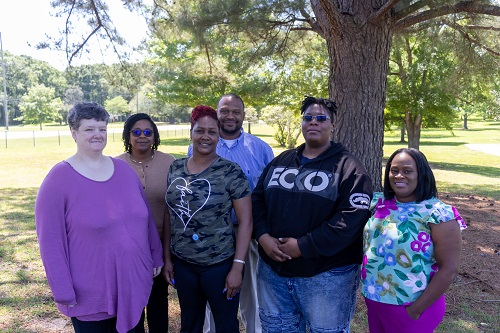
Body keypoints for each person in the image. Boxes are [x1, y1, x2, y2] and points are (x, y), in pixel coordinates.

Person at [35, 102, 164, 333]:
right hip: (90, 294)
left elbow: (144, 217)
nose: (97, 134)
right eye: (89, 129)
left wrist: (156, 255)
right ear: (74, 133)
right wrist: (63, 290)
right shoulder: (58, 180)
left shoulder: (124, 170)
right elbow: (50, 243)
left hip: (130, 284)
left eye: (102, 129)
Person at [252, 96, 373, 332]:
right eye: (308, 118)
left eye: (321, 118)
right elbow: (257, 199)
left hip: (326, 277)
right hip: (273, 275)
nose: (314, 122)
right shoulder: (282, 161)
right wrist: (263, 236)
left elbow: (350, 219)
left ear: (332, 125)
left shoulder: (349, 168)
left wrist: (305, 246)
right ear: (302, 123)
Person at [187, 93, 274, 333]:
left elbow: (269, 194)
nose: (230, 116)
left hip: (250, 232)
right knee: (212, 297)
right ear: (217, 113)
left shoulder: (260, 149)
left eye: (236, 111)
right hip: (210, 237)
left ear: (243, 115)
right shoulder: (198, 147)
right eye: (224, 110)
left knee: (253, 295)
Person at [164, 105, 253, 333]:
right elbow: (169, 214)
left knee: (225, 326)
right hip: (184, 265)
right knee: (190, 325)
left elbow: (246, 221)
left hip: (219, 266)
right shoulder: (175, 168)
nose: (205, 136)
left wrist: (237, 268)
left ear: (218, 135)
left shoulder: (231, 171)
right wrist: (168, 258)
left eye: (212, 132)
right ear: (191, 132)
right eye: (199, 130)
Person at [361, 148, 464, 333]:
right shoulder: (378, 202)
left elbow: (449, 268)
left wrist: (415, 310)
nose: (399, 176)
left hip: (412, 305)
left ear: (421, 174)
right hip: (376, 301)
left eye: (407, 171)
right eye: (394, 170)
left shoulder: (438, 213)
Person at [117, 113, 175, 333]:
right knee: (132, 300)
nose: (142, 136)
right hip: (128, 245)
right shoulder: (116, 164)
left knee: (158, 298)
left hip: (161, 242)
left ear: (154, 136)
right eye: (137, 132)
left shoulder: (169, 162)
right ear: (128, 135)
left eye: (148, 132)